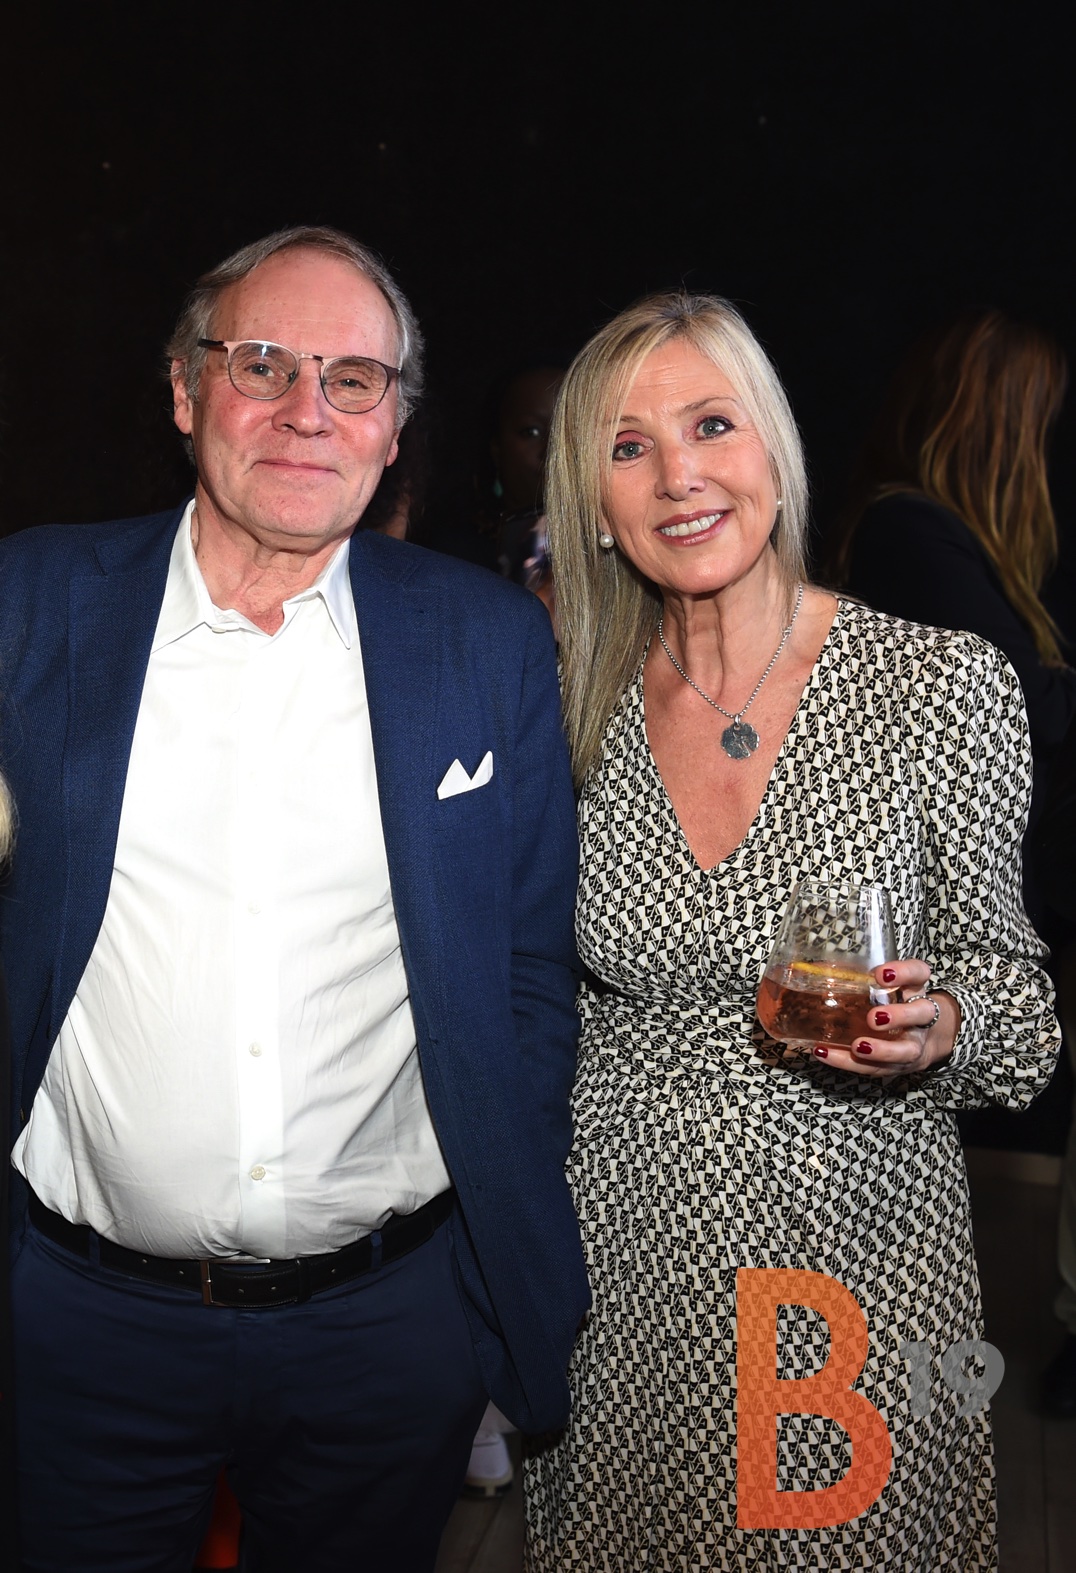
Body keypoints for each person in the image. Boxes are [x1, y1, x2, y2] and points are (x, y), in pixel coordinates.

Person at [0, 225, 588, 1573]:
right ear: (184, 390)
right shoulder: (31, 604)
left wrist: (467, 1285)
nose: (306, 411)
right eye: (262, 364)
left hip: (386, 1333)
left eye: (353, 379)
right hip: (83, 1326)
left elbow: (528, 971)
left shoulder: (484, 641)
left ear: (395, 427)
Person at [522, 292, 1060, 1570]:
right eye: (628, 446)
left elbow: (1024, 1014)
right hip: (624, 1267)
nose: (679, 475)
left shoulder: (936, 684)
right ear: (590, 501)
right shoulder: (559, 704)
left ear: (773, 446)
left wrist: (943, 1024)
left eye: (711, 424)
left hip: (856, 1267)